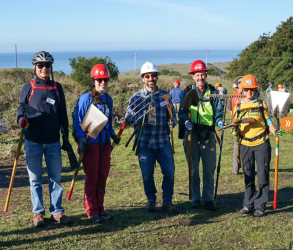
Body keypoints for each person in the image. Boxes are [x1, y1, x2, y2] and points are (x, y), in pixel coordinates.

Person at [17, 51, 72, 227]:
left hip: (53, 141)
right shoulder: (29, 87)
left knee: (55, 178)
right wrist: (21, 121)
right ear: (34, 68)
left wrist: (66, 136)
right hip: (32, 141)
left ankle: (57, 212)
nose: (44, 68)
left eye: (47, 65)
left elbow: (62, 113)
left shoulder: (57, 87)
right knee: (35, 179)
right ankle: (38, 213)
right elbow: (20, 110)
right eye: (40, 66)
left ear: (51, 67)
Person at [125, 62, 178, 214]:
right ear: (143, 79)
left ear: (156, 77)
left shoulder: (165, 95)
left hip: (163, 142)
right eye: (147, 76)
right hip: (144, 143)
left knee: (169, 173)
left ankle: (167, 202)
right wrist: (130, 119)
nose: (150, 78)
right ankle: (151, 200)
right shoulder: (136, 98)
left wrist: (172, 121)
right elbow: (128, 118)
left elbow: (172, 117)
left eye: (153, 75)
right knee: (147, 175)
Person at [74, 64, 120, 223]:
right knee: (92, 177)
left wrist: (113, 135)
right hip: (90, 143)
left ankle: (100, 208)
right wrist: (81, 140)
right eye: (100, 80)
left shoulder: (109, 99)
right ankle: (91, 210)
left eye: (105, 80)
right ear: (94, 80)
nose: (103, 83)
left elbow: (108, 123)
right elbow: (78, 122)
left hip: (105, 144)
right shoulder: (86, 98)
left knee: (103, 177)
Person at [179, 60, 224, 211]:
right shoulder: (187, 92)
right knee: (193, 168)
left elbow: (218, 111)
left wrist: (219, 122)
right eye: (197, 75)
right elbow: (182, 112)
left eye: (202, 74)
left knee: (209, 168)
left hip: (208, 133)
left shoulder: (213, 92)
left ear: (206, 75)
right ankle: (195, 199)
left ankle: (208, 199)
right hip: (192, 133)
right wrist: (185, 122)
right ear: (193, 76)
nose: (200, 78)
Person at [232, 74, 280, 217]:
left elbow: (268, 121)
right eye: (247, 89)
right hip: (245, 144)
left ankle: (260, 205)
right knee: (248, 175)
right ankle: (248, 204)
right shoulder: (238, 107)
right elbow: (235, 123)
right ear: (242, 90)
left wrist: (274, 131)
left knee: (263, 175)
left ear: (255, 89)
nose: (249, 92)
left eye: (252, 89)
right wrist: (234, 128)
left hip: (261, 144)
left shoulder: (261, 104)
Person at [227, 77, 244, 175]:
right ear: (237, 84)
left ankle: (239, 168)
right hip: (237, 122)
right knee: (237, 145)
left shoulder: (234, 94)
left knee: (240, 145)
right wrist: (233, 120)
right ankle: (236, 168)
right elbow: (230, 109)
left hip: (244, 122)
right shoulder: (233, 95)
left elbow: (230, 110)